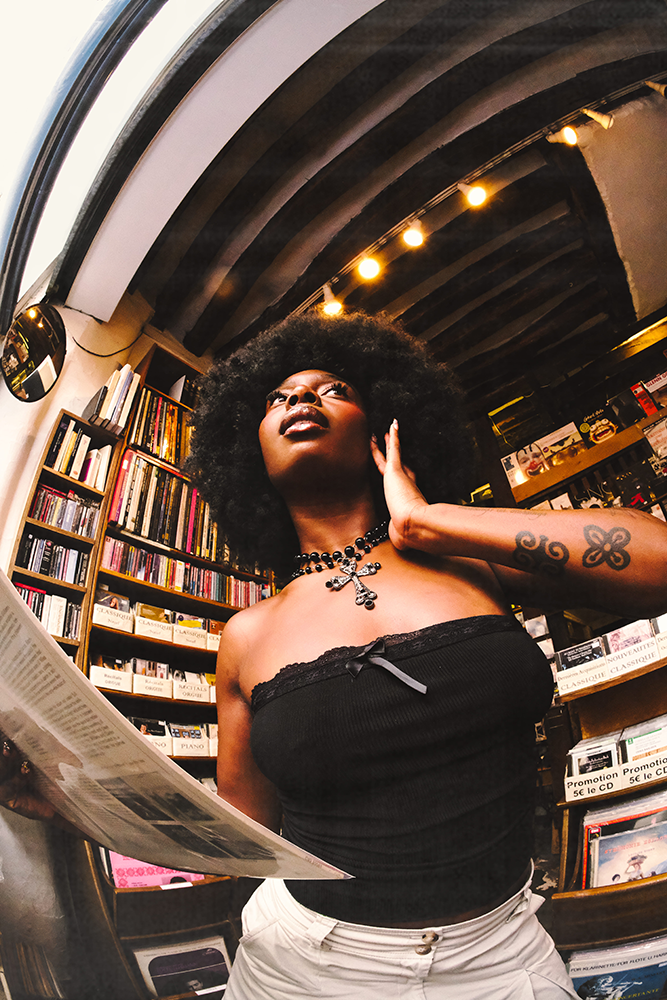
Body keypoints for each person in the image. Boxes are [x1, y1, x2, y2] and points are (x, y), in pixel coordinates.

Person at [3, 311, 667, 997]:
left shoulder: (471, 559)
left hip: (502, 960)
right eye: (276, 398)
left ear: (384, 428)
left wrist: (426, 521)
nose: (298, 400)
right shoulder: (247, 637)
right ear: (248, 453)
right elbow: (241, 834)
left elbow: (655, 560)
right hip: (306, 967)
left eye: (330, 389)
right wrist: (74, 804)